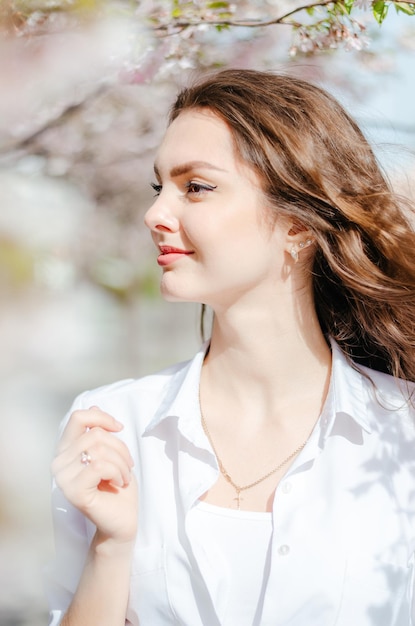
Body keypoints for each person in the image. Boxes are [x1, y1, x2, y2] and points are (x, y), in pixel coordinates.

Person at [47, 68, 415, 626]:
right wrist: (111, 547)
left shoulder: (404, 434)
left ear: (297, 223)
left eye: (196, 186)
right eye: (159, 187)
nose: (154, 215)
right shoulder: (111, 429)